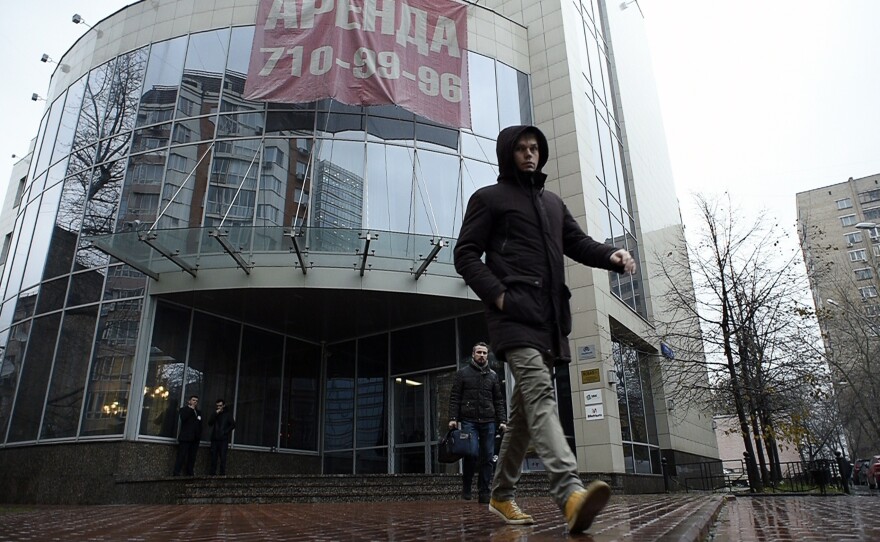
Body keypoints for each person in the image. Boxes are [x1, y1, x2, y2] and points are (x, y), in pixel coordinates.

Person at [454, 125, 636, 534]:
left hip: (549, 321)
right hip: (512, 317)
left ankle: (500, 495)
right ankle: (570, 494)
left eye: (535, 148)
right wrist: (498, 296)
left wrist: (612, 255)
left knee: (523, 414)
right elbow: (464, 254)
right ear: (508, 154)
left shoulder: (552, 203)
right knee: (538, 392)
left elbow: (578, 243)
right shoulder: (489, 199)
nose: (529, 154)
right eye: (521, 148)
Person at [448, 342, 508, 504]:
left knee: (488, 457)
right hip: (469, 421)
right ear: (473, 354)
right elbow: (455, 398)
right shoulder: (463, 374)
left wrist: (502, 421)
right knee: (472, 453)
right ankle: (467, 486)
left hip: (488, 421)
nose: (482, 355)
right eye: (479, 352)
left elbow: (498, 400)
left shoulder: (493, 376)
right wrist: (453, 418)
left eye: (485, 353)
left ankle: (484, 492)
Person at [172, 395, 202, 476]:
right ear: (189, 401)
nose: (195, 402)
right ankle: (176, 472)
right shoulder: (184, 410)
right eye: (193, 400)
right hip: (186, 437)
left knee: (192, 457)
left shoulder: (198, 412)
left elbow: (199, 424)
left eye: (196, 400)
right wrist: (191, 409)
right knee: (181, 455)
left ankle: (190, 472)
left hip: (195, 438)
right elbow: (183, 418)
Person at [208, 398, 236, 475]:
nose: (219, 407)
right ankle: (212, 473)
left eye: (220, 406)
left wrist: (225, 432)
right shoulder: (215, 414)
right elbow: (210, 423)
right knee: (213, 457)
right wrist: (215, 414)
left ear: (223, 405)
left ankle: (222, 473)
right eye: (217, 406)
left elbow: (233, 425)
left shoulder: (227, 414)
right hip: (215, 439)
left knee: (223, 457)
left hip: (223, 439)